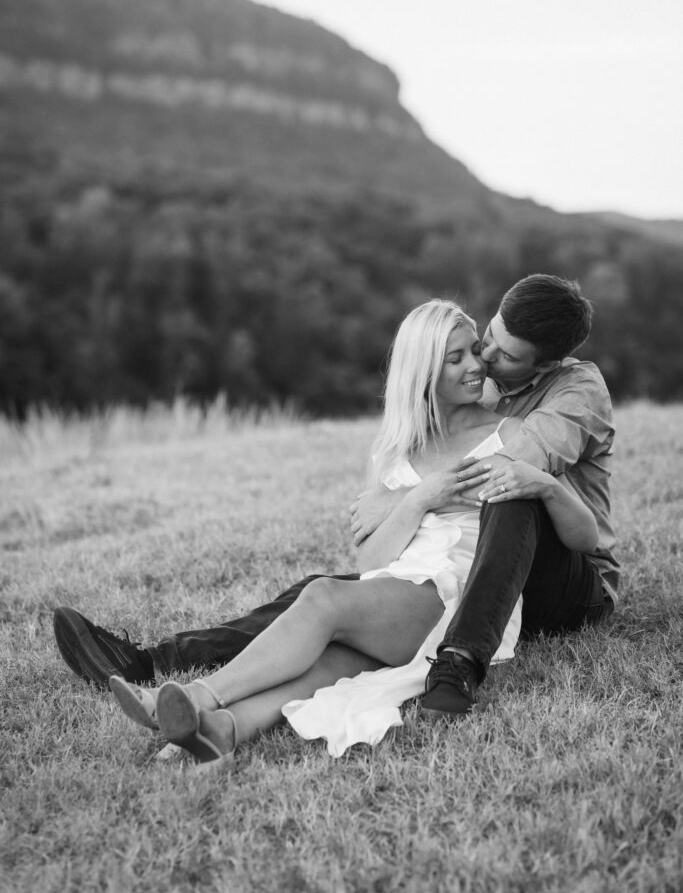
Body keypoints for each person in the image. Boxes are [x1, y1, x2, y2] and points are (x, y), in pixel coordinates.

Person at [54, 274, 618, 717]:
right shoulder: (483, 390)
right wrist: (408, 494)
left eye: (502, 355)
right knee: (317, 594)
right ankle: (155, 661)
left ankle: (460, 662)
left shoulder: (573, 391)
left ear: (544, 363)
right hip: (474, 567)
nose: (487, 360)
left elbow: (512, 470)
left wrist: (406, 497)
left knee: (510, 490)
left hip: (564, 577)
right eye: (484, 339)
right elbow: (385, 540)